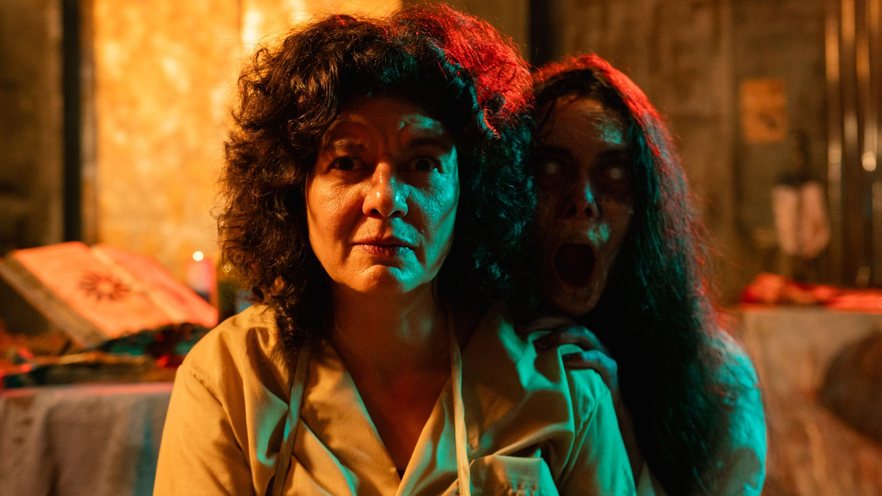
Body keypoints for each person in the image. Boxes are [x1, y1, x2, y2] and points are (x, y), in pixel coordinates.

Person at [154, 8, 634, 495]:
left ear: (471, 188)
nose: (385, 198)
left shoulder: (563, 388)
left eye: (422, 164)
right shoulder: (231, 376)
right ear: (295, 188)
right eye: (347, 162)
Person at [524, 54, 767, 495]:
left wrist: (621, 431)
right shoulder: (477, 342)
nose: (582, 200)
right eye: (550, 170)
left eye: (615, 176)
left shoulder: (719, 380)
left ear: (648, 208)